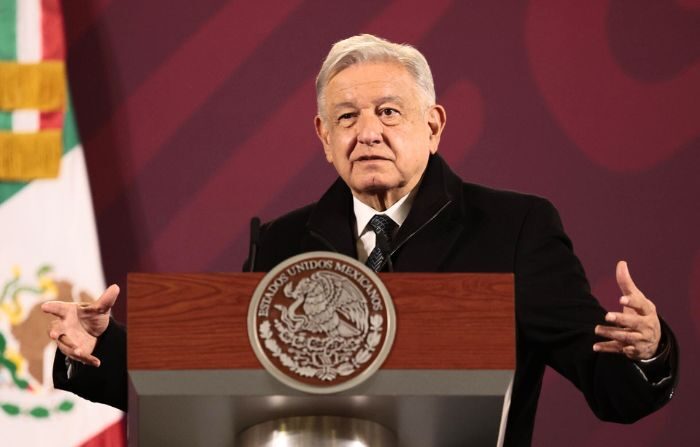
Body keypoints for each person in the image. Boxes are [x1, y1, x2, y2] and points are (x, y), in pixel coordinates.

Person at [42, 34, 677, 446]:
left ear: (433, 126)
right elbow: (216, 375)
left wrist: (646, 353)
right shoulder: (285, 242)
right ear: (322, 136)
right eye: (346, 117)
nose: (367, 131)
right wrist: (101, 347)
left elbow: (610, 387)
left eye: (389, 111)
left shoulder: (515, 229)